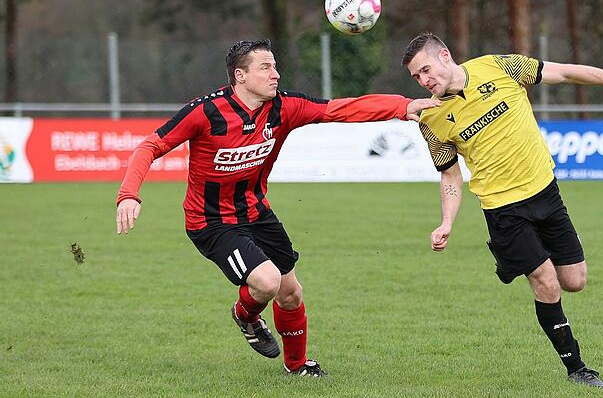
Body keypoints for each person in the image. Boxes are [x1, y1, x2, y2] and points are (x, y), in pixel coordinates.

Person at [116, 39, 440, 377]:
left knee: (290, 294)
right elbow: (151, 145)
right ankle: (246, 315)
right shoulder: (206, 112)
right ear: (240, 76)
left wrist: (402, 107)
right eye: (266, 67)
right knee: (267, 281)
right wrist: (128, 194)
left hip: (258, 213)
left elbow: (341, 109)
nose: (276, 74)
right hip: (212, 223)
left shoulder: (284, 107)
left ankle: (297, 367)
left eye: (275, 66)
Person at [401, 33, 603, 389]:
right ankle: (577, 368)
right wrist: (446, 221)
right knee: (546, 281)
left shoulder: (499, 67)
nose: (424, 81)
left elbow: (567, 73)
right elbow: (450, 175)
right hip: (503, 209)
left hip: (546, 193)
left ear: (445, 56)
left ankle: (517, 261)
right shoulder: (431, 119)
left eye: (425, 70)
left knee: (575, 282)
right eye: (416, 77)